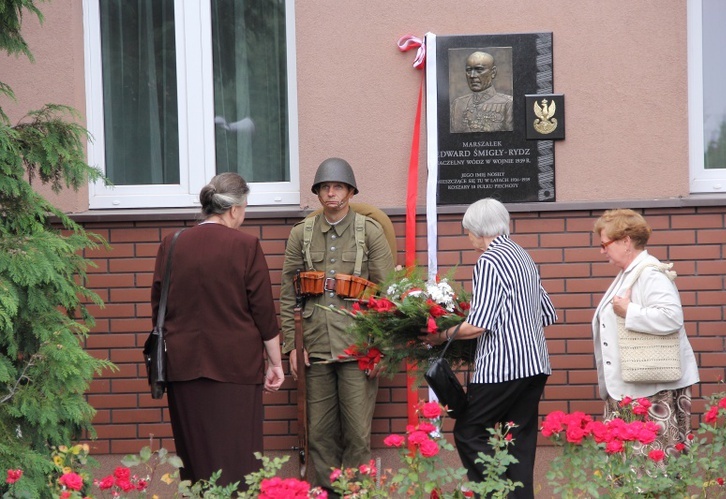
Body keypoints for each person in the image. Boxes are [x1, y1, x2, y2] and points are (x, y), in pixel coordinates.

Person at [150, 172, 284, 488]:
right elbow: (264, 312)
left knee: (195, 459)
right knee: (240, 459)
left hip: (182, 369)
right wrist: (276, 363)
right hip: (236, 367)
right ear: (234, 209)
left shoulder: (172, 244)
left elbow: (158, 307)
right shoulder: (246, 245)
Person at [421, 198, 556, 498]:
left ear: (478, 230)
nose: (468, 238)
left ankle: (496, 494)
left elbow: (480, 323)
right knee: (518, 440)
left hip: (502, 368)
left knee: (468, 432)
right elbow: (546, 312)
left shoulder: (490, 261)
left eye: (467, 231)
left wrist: (440, 336)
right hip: (535, 364)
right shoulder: (523, 256)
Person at [280, 157, 394, 493]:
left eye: (338, 187)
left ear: (349, 191)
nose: (332, 192)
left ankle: (355, 492)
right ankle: (330, 491)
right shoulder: (301, 234)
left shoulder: (369, 232)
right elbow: (289, 292)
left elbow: (388, 293)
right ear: (317, 193)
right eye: (325, 187)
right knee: (319, 432)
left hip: (359, 345)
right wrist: (291, 345)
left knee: (357, 432)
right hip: (314, 345)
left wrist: (382, 346)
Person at [592, 209, 699, 455]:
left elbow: (672, 317)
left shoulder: (650, 274)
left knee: (651, 469)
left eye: (605, 243)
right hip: (634, 388)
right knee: (632, 470)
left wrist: (629, 311)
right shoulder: (629, 274)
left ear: (626, 241)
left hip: (651, 393)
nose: (602, 250)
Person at [450, 51, 514, 133]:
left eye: (479, 70)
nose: (472, 75)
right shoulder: (458, 104)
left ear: (493, 72)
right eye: (469, 70)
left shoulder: (508, 104)